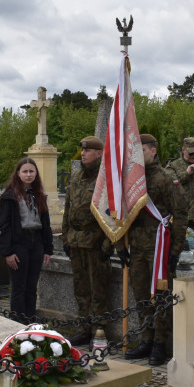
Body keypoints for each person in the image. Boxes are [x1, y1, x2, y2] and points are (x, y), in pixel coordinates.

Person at [122, 134, 187, 366]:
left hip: (160, 247)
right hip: (137, 247)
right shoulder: (131, 179)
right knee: (140, 296)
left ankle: (160, 345)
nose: (138, 155)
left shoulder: (166, 178)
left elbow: (180, 214)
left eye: (142, 150)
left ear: (154, 151)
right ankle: (146, 340)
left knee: (161, 297)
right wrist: (121, 246)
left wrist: (175, 251)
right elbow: (122, 214)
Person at [61, 136, 113, 347]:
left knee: (98, 291)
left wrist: (108, 244)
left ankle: (99, 332)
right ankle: (84, 329)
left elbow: (113, 215)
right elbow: (68, 209)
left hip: (95, 242)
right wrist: (65, 237)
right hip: (76, 242)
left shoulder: (106, 179)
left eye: (88, 151)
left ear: (98, 154)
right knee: (81, 289)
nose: (82, 154)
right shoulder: (75, 177)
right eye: (82, 150)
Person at [0, 157, 53, 321]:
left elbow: (46, 224)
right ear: (18, 174)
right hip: (19, 243)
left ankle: (30, 320)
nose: (28, 175)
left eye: (31, 171)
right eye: (25, 171)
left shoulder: (39, 195)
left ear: (36, 173)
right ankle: (18, 323)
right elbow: (4, 226)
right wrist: (8, 252)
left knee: (31, 286)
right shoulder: (10, 197)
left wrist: (47, 249)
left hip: (36, 243)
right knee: (19, 287)